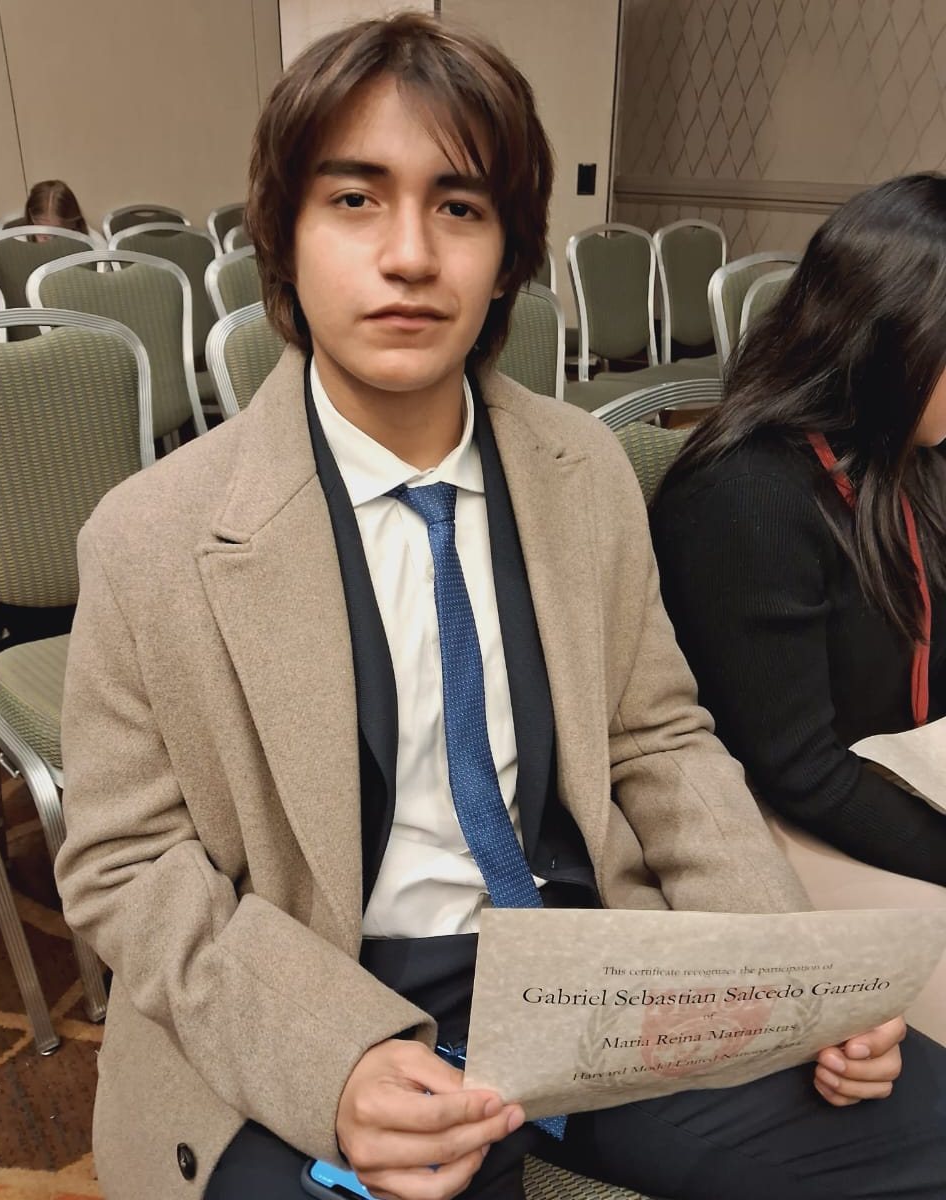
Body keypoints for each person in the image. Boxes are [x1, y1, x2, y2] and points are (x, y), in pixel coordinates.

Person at [54, 17, 943, 1200]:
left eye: (460, 207)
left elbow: (658, 739)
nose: (410, 255)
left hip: (587, 968)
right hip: (313, 975)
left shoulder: (583, 476)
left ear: (510, 250)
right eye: (355, 200)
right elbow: (125, 862)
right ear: (284, 236)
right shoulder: (151, 535)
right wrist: (332, 1059)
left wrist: (787, 971)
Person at [650, 174, 946, 890]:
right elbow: (801, 771)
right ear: (888, 337)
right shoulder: (745, 495)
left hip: (901, 793)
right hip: (783, 830)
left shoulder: (913, 455)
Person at [24, 178, 90, 236]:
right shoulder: (20, 240)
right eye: (43, 232)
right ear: (32, 218)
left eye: (58, 232)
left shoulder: (92, 242)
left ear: (72, 224)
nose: (50, 240)